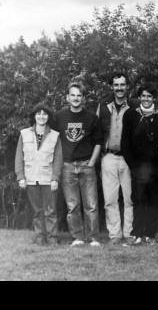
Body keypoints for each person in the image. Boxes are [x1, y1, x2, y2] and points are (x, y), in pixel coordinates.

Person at [53, 81, 103, 247]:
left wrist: (91, 163)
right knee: (72, 205)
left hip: (86, 165)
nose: (75, 98)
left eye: (79, 95)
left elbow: (98, 142)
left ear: (83, 98)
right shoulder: (59, 117)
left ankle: (93, 238)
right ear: (67, 97)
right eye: (72, 95)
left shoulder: (92, 118)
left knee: (91, 205)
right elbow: (51, 138)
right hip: (67, 166)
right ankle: (78, 238)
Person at [121, 82, 158, 246]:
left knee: (154, 201)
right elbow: (125, 143)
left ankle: (150, 234)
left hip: (156, 166)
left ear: (154, 98)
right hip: (138, 166)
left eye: (150, 96)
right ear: (139, 97)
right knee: (139, 199)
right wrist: (132, 166)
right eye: (143, 96)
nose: (146, 99)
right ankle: (137, 234)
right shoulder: (130, 115)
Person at [15, 103, 63, 246]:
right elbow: (19, 157)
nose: (41, 116)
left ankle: (52, 238)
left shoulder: (55, 135)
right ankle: (40, 238)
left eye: (44, 114)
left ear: (48, 117)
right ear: (34, 116)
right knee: (37, 211)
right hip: (30, 179)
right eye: (38, 114)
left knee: (50, 210)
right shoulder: (24, 133)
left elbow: (58, 159)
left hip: (48, 180)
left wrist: (55, 178)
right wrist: (20, 177)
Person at [96, 72, 135, 246]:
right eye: (116, 85)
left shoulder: (136, 105)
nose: (119, 88)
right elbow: (96, 132)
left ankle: (129, 233)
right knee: (110, 199)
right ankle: (114, 235)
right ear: (112, 86)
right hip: (109, 157)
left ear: (127, 86)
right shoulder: (103, 106)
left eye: (122, 85)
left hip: (129, 158)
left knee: (129, 198)